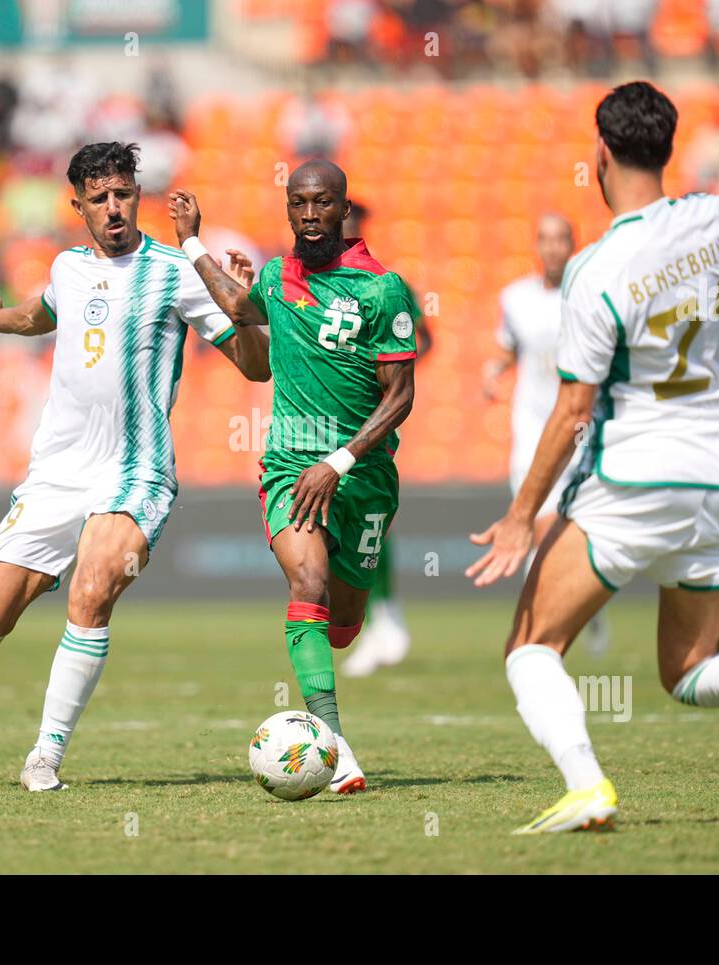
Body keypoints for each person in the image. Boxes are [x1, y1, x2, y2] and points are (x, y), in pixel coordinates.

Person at [467, 82, 719, 834]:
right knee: (687, 669)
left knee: (531, 645)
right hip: (718, 480)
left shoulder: (596, 269)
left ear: (600, 155)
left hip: (632, 478)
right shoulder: (717, 220)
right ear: (668, 148)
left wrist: (522, 517)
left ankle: (586, 784)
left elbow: (573, 409)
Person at [0, 142, 269, 792]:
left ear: (137, 197)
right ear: (79, 206)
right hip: (56, 472)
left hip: (136, 470)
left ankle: (45, 756)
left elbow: (256, 365)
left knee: (91, 595)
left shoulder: (179, 272)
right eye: (99, 198)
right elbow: (41, 315)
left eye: (123, 194)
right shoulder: (66, 268)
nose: (113, 208)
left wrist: (244, 304)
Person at [169, 159, 417, 793]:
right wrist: (192, 242)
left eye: (322, 203)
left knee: (341, 626)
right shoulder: (279, 277)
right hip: (289, 466)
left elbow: (401, 397)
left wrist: (340, 463)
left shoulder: (384, 290)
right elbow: (239, 309)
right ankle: (334, 748)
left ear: (343, 209)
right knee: (306, 579)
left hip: (362, 476)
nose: (309, 215)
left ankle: (341, 660)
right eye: (298, 203)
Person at [484, 213, 608, 654]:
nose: (554, 248)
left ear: (573, 244)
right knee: (536, 522)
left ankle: (578, 606)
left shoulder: (589, 295)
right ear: (537, 245)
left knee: (567, 526)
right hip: (532, 426)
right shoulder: (515, 297)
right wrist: (494, 369)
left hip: (577, 426)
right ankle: (540, 623)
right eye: (546, 239)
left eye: (562, 240)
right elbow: (509, 344)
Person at [336, 200, 432, 678]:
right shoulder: (311, 282)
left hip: (370, 414)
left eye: (354, 222)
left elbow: (423, 337)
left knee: (370, 513)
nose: (347, 229)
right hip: (327, 415)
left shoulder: (385, 285)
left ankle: (384, 619)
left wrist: (390, 358)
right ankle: (376, 620)